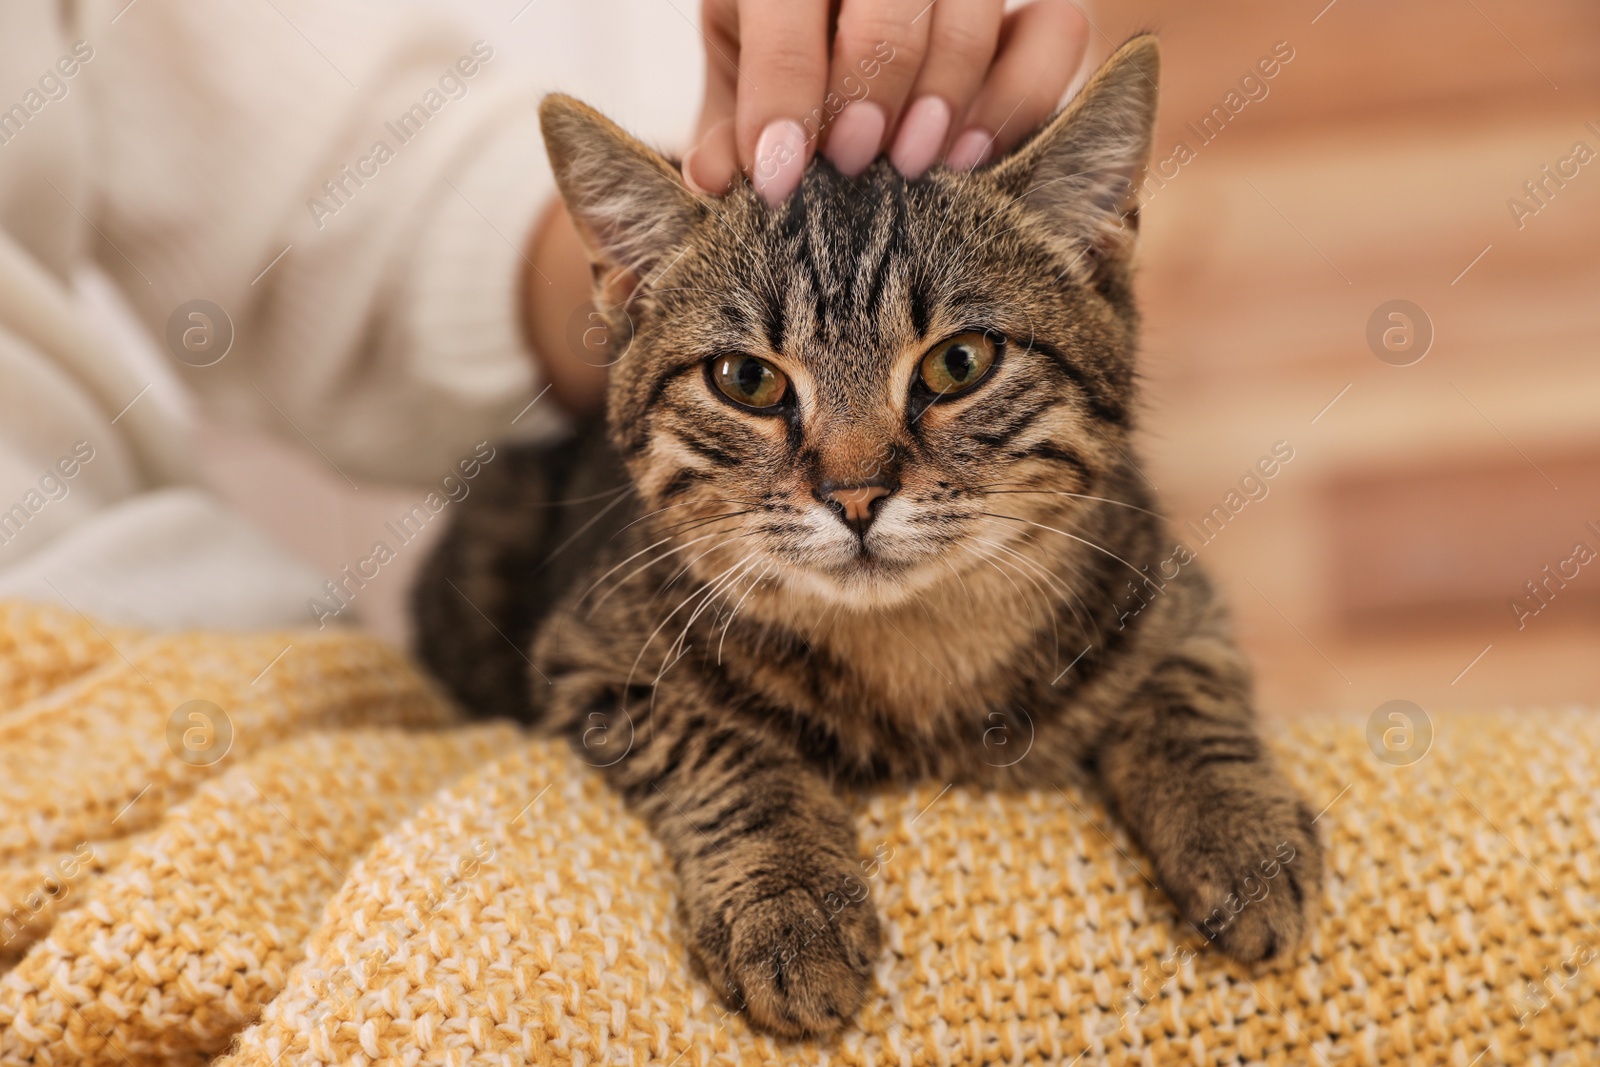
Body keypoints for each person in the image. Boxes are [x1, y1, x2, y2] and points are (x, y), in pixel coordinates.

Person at [0, 0, 1087, 630]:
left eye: (952, 369)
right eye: (754, 383)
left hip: (158, 640)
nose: (855, 484)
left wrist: (678, 252)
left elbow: (340, 208)